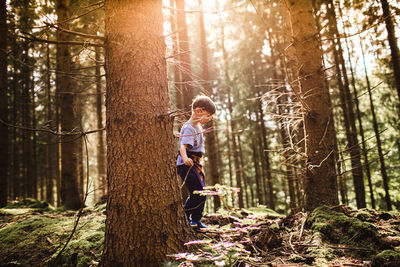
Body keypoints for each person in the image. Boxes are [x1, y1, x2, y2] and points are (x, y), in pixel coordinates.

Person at [177, 95, 216, 229]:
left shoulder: (197, 126)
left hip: (195, 163)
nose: (209, 119)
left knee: (202, 191)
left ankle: (197, 220)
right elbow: (183, 146)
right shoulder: (189, 127)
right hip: (186, 163)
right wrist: (185, 158)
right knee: (198, 191)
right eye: (208, 115)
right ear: (198, 111)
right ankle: (185, 216)